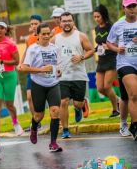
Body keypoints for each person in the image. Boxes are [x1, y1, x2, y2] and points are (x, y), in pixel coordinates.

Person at [51, 12, 94, 139]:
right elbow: (49, 54)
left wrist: (81, 57)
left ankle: (79, 107)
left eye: (69, 20)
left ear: (73, 22)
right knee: (63, 102)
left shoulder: (81, 36)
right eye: (64, 21)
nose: (67, 23)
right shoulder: (55, 39)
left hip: (78, 75)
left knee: (77, 104)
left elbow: (91, 50)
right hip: (62, 77)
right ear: (60, 23)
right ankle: (65, 130)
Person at [21, 23, 62, 152]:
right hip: (38, 84)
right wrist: (40, 70)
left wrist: (59, 70)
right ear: (37, 35)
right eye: (43, 34)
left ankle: (53, 143)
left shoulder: (55, 48)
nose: (46, 36)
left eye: (47, 33)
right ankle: (34, 128)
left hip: (53, 84)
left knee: (55, 111)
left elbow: (59, 65)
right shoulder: (32, 49)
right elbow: (24, 67)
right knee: (39, 115)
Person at [107, 0, 137, 140]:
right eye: (129, 6)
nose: (132, 9)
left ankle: (129, 124)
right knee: (134, 94)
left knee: (128, 97)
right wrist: (117, 49)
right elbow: (109, 43)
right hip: (125, 63)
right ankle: (135, 125)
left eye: (134, 6)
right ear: (123, 8)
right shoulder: (118, 25)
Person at [0, 21, 23, 144]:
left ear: (5, 30)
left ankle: (15, 123)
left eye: (1, 28)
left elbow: (16, 61)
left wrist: (2, 61)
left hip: (9, 76)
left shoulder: (10, 44)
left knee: (9, 104)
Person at [93, 5, 119, 117]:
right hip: (101, 60)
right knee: (100, 88)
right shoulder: (97, 28)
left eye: (98, 16)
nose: (96, 19)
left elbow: (119, 42)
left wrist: (110, 46)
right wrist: (95, 49)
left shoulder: (112, 27)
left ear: (103, 15)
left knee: (107, 86)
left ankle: (115, 110)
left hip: (112, 59)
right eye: (94, 17)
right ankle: (119, 100)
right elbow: (99, 44)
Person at [21, 15, 42, 130]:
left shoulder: (47, 36)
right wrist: (21, 63)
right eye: (32, 24)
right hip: (32, 71)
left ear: (41, 24)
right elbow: (26, 52)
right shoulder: (28, 39)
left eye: (36, 24)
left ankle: (57, 120)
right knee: (29, 97)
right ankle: (36, 121)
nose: (33, 26)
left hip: (45, 71)